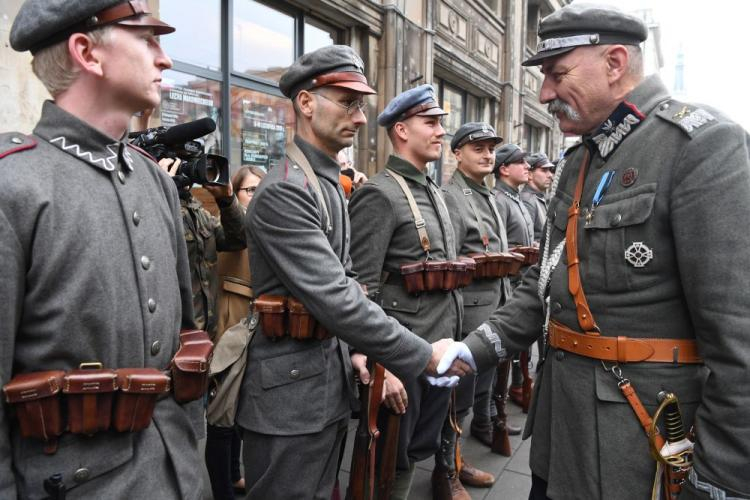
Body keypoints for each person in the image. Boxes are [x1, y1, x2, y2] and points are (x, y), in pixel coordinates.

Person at [459, 4, 750, 499]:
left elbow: (739, 338)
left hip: (637, 449)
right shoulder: (579, 161)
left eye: (557, 73)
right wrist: (469, 352)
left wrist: (720, 480)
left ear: (615, 62)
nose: (545, 92)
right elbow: (543, 285)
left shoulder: (701, 146)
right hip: (560, 435)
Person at [235, 46, 471, 500]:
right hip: (288, 401)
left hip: (320, 385)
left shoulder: (322, 181)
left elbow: (350, 285)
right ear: (306, 103)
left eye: (360, 105)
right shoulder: (287, 190)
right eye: (348, 103)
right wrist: (421, 354)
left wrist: (359, 353)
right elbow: (336, 297)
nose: (361, 118)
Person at [0, 1, 203, 498]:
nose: (166, 59)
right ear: (87, 51)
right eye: (148, 39)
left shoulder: (153, 179)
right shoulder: (14, 185)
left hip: (179, 475)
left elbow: (185, 341)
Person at [347, 84, 463, 499]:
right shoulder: (379, 193)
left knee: (415, 450)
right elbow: (359, 289)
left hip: (437, 344)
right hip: (401, 353)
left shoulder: (433, 190)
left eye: (440, 124)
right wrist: (382, 365)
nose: (439, 133)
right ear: (401, 130)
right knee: (387, 458)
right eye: (430, 123)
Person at [436, 122, 514, 498]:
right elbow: (445, 258)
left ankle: (457, 461)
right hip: (467, 311)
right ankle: (445, 471)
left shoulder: (489, 194)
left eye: (491, 149)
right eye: (478, 148)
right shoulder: (451, 196)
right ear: (457, 153)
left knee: (475, 393)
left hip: (494, 305)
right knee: (457, 396)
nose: (487, 155)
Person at [521, 153, 555, 244]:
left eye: (550, 170)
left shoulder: (538, 197)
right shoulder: (527, 200)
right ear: (530, 174)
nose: (550, 175)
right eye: (544, 170)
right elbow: (528, 240)